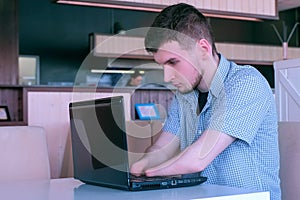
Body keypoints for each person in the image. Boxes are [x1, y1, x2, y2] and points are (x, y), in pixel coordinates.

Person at [130, 3, 281, 200]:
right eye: (162, 65)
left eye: (173, 62)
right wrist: (138, 167)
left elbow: (198, 158)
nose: (167, 77)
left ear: (203, 48)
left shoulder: (246, 83)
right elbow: (162, 149)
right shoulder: (184, 96)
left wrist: (150, 173)